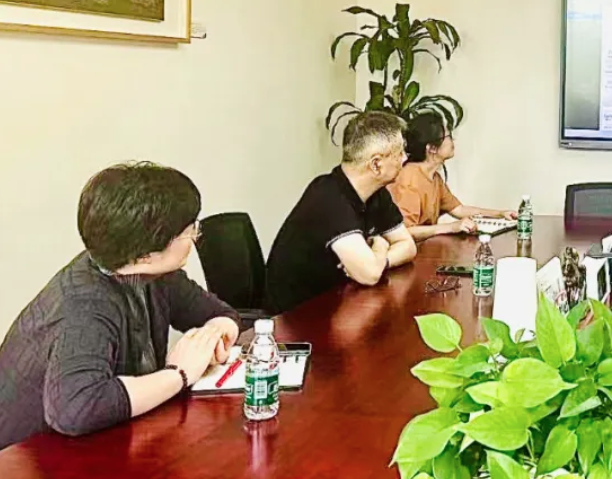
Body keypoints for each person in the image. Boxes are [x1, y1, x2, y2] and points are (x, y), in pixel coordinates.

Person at [0, 163, 240, 450]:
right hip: (28, 462)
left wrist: (213, 337)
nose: (195, 237)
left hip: (107, 442)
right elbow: (75, 409)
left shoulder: (156, 275)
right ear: (147, 253)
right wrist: (179, 374)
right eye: (190, 231)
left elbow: (220, 314)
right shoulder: (84, 305)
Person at [265, 111, 417, 314]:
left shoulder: (377, 194)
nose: (405, 158)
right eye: (399, 153)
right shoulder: (328, 198)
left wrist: (380, 259)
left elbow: (407, 246)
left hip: (340, 304)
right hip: (296, 318)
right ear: (376, 164)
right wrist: (380, 245)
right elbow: (369, 274)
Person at [389, 113, 517, 242]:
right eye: (448, 136)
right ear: (432, 148)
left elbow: (459, 210)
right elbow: (405, 231)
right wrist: (451, 227)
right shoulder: (409, 179)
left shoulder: (434, 177)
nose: (453, 141)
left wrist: (500, 214)